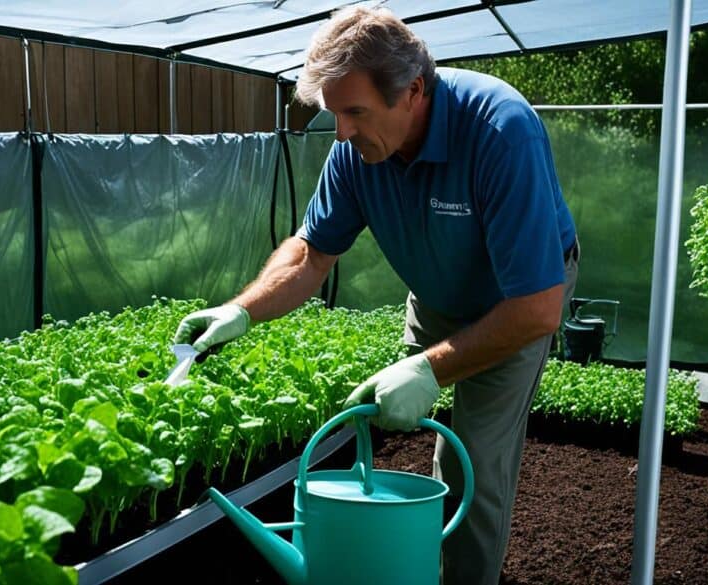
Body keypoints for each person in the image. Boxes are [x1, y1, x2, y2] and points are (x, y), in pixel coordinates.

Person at [173, 5, 578, 584]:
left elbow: (538, 307)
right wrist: (240, 310)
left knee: (473, 462)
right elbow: (312, 254)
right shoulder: (357, 150)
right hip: (437, 290)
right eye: (334, 114)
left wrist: (431, 371)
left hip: (515, 300)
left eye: (354, 112)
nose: (341, 132)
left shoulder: (499, 130)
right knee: (383, 422)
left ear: (412, 91)